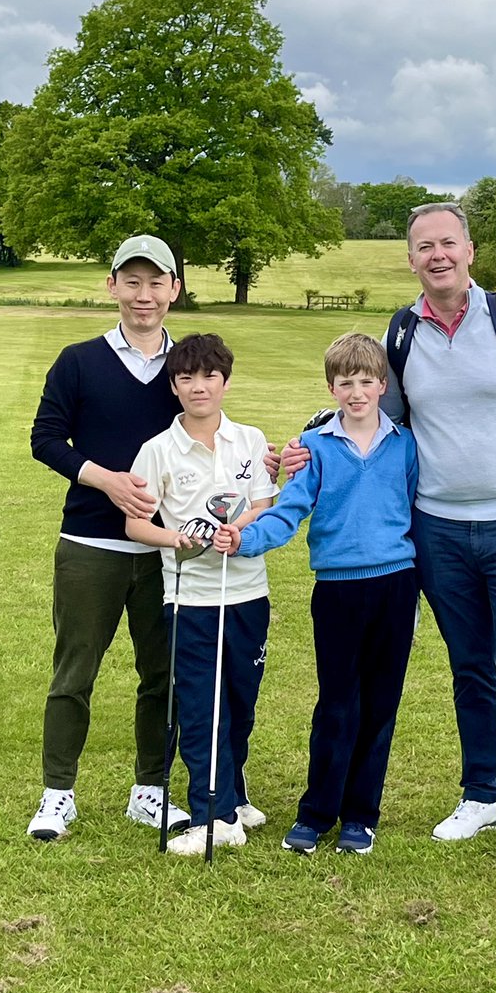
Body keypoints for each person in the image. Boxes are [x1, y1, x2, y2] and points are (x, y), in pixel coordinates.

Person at [284, 203, 496, 872]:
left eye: (448, 242)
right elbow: (374, 415)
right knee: (469, 669)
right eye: (425, 246)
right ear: (412, 258)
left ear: (470, 250)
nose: (438, 254)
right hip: (439, 531)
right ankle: (482, 795)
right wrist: (310, 443)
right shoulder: (403, 332)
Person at [215, 333, 418, 857]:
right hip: (337, 591)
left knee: (380, 704)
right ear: (331, 387)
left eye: (366, 381)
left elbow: (423, 508)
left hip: (396, 586)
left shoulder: (406, 445)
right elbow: (288, 512)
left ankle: (360, 817)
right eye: (345, 382)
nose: (356, 392)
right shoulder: (316, 450)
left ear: (382, 385)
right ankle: (316, 813)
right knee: (336, 704)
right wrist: (244, 537)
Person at [26, 234, 191, 841]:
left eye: (156, 283)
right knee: (73, 674)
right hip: (90, 545)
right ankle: (57, 794)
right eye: (132, 282)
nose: (143, 295)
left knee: (163, 676)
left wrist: (270, 459)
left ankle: (150, 791)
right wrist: (106, 482)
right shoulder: (78, 360)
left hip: (163, 549)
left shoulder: (187, 366)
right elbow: (45, 439)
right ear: (112, 286)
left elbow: (211, 437)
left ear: (174, 289)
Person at [126, 333, 277, 856]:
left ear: (225, 382)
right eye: (187, 377)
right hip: (190, 597)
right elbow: (135, 524)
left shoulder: (251, 441)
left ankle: (233, 796)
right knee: (200, 706)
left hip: (248, 593)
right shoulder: (158, 450)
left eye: (209, 376)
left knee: (240, 699)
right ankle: (213, 816)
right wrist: (178, 538)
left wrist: (241, 530)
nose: (199, 386)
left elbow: (263, 505)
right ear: (173, 385)